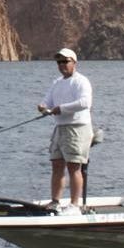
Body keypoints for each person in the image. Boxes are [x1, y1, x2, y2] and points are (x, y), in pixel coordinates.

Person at [37, 48, 93, 213]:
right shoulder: (57, 82)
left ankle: (74, 205)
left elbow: (84, 103)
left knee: (74, 166)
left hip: (78, 128)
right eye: (59, 62)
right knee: (56, 165)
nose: (62, 65)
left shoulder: (81, 81)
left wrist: (60, 109)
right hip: (60, 128)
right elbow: (47, 100)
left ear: (74, 63)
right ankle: (55, 201)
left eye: (65, 61)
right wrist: (43, 107)